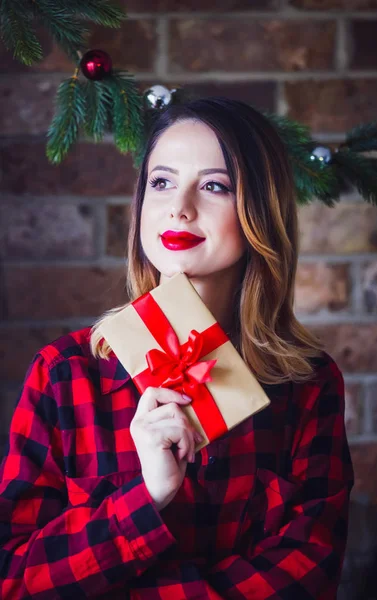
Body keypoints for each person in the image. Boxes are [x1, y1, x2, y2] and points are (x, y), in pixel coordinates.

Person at [0, 97, 354, 599]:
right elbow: (13, 576)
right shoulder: (64, 375)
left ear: (259, 208)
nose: (179, 207)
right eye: (162, 182)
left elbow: (310, 572)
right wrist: (146, 497)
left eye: (214, 185)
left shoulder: (309, 384)